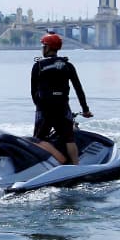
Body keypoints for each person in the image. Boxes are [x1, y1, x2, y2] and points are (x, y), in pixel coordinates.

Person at [30, 32, 93, 165]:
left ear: (48, 47)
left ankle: (43, 164)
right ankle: (76, 166)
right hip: (63, 106)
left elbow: (33, 91)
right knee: (69, 139)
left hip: (45, 108)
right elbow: (78, 89)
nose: (42, 49)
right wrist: (85, 110)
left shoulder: (38, 66)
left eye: (43, 46)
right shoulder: (68, 65)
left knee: (38, 140)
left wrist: (39, 107)